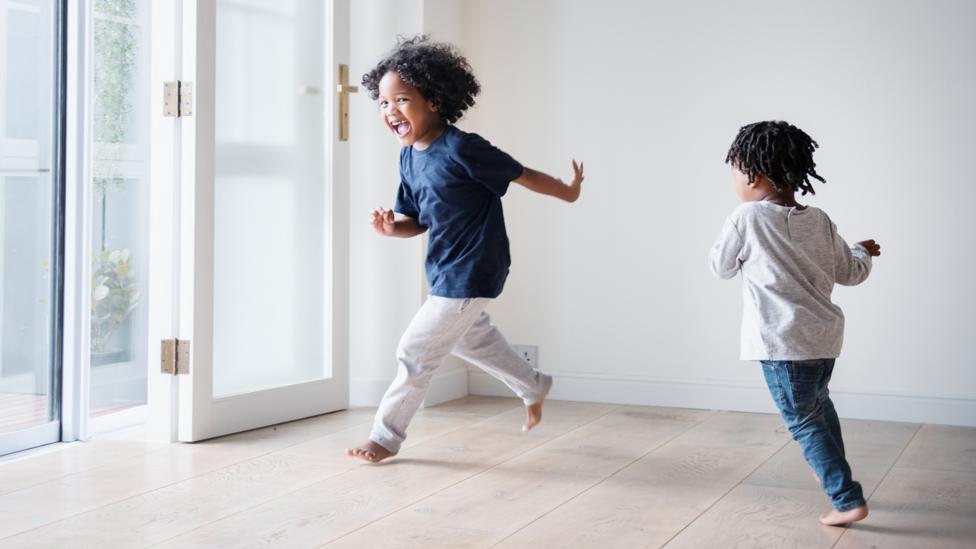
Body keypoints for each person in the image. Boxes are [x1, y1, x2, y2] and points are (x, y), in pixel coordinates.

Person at [346, 36, 585, 463]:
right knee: (471, 341)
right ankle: (532, 384)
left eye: (401, 99)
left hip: (474, 267)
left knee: (414, 351)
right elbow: (417, 221)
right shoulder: (408, 158)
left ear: (434, 100)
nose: (390, 111)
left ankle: (384, 437)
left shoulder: (462, 148)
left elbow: (522, 174)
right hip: (444, 270)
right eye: (383, 103)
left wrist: (567, 192)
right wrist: (390, 228)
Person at [710, 120, 880, 526]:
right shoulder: (819, 219)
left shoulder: (745, 218)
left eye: (734, 170)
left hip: (781, 344)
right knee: (820, 409)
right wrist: (862, 250)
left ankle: (846, 499)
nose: (734, 180)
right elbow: (851, 272)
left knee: (804, 422)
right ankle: (847, 487)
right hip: (823, 341)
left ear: (754, 174)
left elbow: (721, 267)